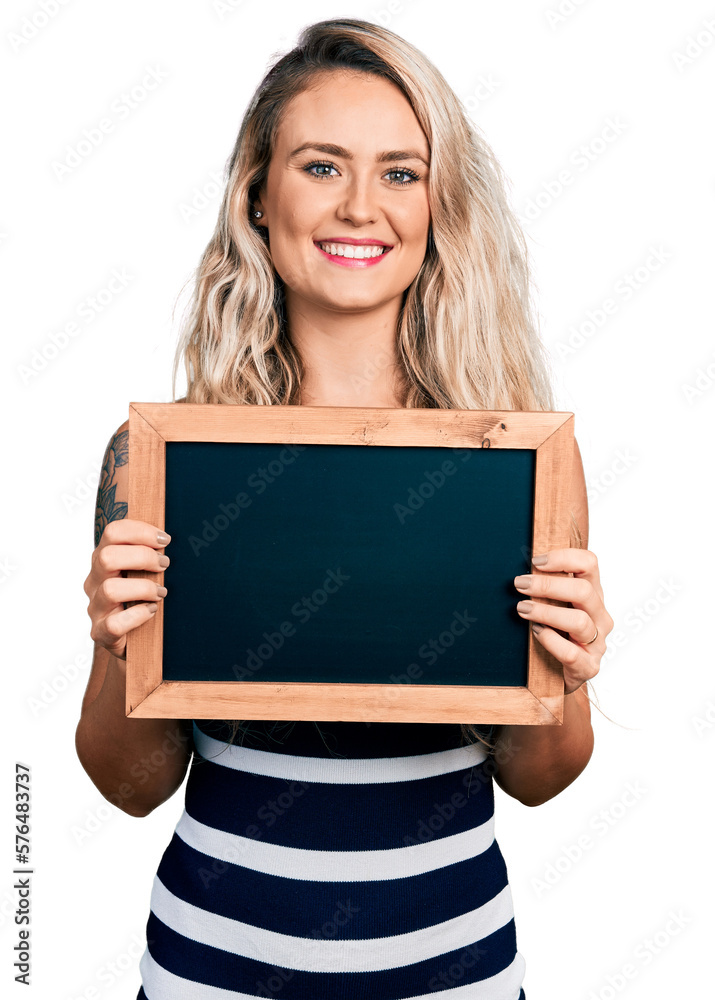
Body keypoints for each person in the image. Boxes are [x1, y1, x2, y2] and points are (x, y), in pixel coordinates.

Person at [76, 17, 613, 1000]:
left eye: (400, 173)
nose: (361, 206)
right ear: (258, 196)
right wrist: (119, 646)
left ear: (438, 205)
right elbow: (130, 783)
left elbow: (538, 776)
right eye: (322, 166)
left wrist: (569, 669)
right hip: (211, 974)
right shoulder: (162, 458)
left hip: (453, 974)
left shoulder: (523, 460)